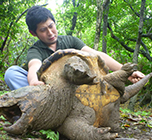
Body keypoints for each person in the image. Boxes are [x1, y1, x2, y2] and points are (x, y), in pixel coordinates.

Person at [4, 5, 145, 90]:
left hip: (73, 87)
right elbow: (34, 65)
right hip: (45, 89)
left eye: (51, 26)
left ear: (54, 22)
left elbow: (97, 55)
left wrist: (126, 72)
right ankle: (39, 106)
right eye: (43, 30)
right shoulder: (35, 50)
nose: (50, 32)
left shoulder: (70, 41)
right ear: (33, 33)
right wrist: (33, 82)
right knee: (11, 73)